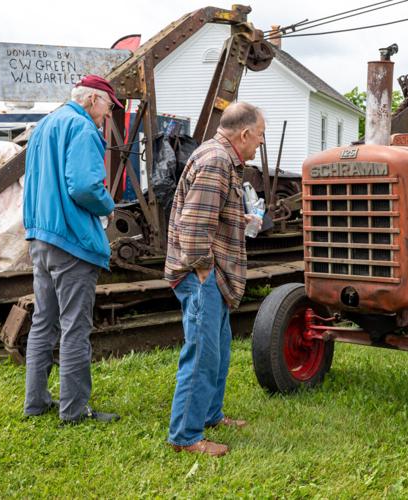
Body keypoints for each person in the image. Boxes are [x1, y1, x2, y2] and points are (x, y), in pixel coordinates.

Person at [164, 102, 265, 457]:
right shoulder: (217, 161)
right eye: (260, 136)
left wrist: (241, 219)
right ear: (245, 134)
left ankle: (210, 415)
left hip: (214, 275)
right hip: (203, 275)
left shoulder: (220, 158)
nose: (260, 144)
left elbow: (212, 211)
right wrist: (204, 268)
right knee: (203, 354)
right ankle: (185, 437)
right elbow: (194, 225)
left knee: (218, 349)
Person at [22, 75, 123, 425]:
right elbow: (83, 187)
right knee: (74, 328)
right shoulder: (82, 129)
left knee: (43, 323)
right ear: (94, 99)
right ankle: (74, 411)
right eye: (109, 106)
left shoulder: (45, 124)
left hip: (40, 237)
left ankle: (35, 402)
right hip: (71, 240)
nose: (108, 115)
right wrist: (107, 206)